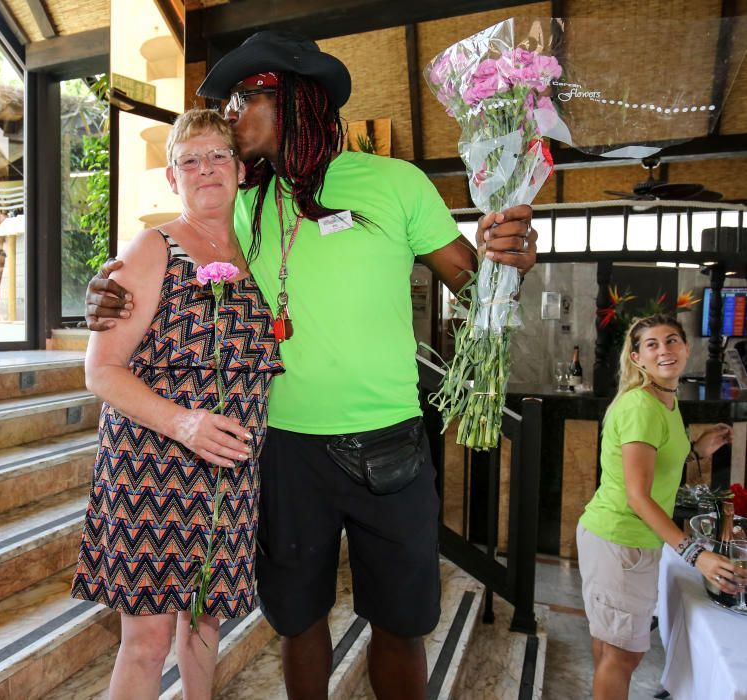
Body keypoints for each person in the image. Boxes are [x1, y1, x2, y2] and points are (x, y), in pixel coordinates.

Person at [84, 31, 537, 700]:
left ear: (299, 98)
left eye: (245, 97)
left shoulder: (394, 183)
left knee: (400, 622)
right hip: (281, 448)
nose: (231, 114)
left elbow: (475, 291)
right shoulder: (240, 198)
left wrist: (510, 262)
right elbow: (177, 243)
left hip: (389, 442)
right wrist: (109, 283)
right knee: (296, 621)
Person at [70, 108, 283, 700]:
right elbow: (101, 369)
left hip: (227, 469)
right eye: (189, 160)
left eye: (218, 156)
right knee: (147, 638)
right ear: (172, 178)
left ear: (240, 171)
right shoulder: (152, 247)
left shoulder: (261, 252)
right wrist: (183, 422)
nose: (205, 169)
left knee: (207, 618)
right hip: (152, 465)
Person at [577, 314, 744, 700]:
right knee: (623, 656)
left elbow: (651, 465)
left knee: (611, 650)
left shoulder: (664, 400)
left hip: (626, 541)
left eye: (672, 340)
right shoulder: (642, 407)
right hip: (619, 541)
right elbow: (638, 496)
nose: (664, 350)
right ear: (636, 358)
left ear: (686, 348)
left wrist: (697, 451)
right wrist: (694, 553)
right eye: (651, 344)